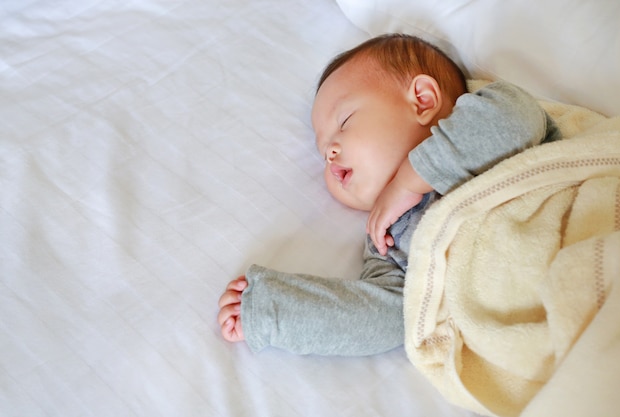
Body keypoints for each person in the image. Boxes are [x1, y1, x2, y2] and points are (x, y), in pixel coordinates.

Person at [217, 34, 560, 356]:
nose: (330, 152)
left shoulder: (482, 127)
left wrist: (412, 179)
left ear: (422, 101)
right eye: (322, 151)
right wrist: (276, 310)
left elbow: (519, 116)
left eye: (345, 121)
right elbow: (393, 314)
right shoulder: (387, 236)